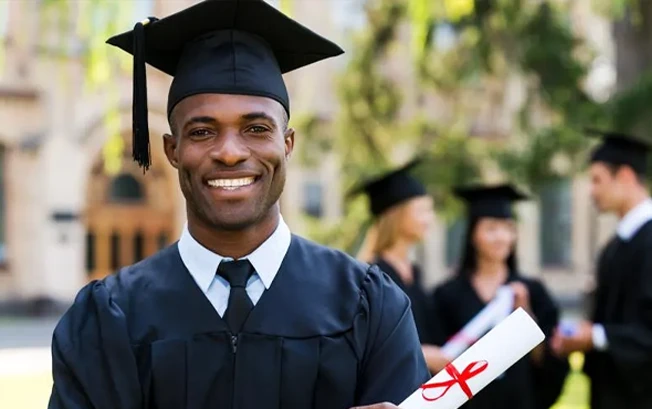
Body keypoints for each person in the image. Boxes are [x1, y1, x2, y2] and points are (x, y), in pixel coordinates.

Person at [47, 1, 429, 409]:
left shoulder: (369, 307)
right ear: (172, 150)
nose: (230, 152)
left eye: (256, 128)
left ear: (287, 144)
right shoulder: (108, 318)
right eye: (203, 131)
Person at [431, 184, 569, 409]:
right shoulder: (447, 295)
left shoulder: (533, 291)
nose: (501, 237)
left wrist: (525, 317)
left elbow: (546, 360)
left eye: (508, 228)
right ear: (473, 234)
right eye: (491, 229)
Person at [551, 129, 652, 409]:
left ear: (626, 177)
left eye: (597, 180)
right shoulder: (617, 245)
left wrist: (595, 336)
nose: (592, 190)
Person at [351, 158, 451, 374]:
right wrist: (421, 353)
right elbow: (366, 345)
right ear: (397, 214)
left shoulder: (414, 273)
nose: (429, 219)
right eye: (422, 210)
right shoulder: (370, 275)